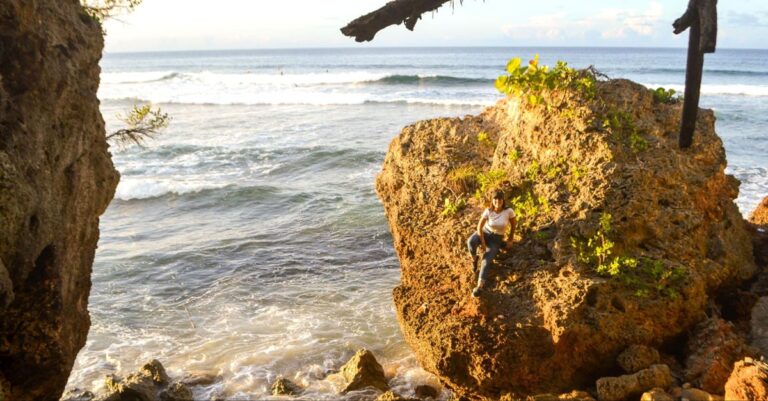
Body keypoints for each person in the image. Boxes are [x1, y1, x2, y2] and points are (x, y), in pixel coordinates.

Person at [466, 189, 516, 297]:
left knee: (486, 260)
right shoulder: (488, 211)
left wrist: (510, 239)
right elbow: (479, 227)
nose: (498, 201)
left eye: (500, 199)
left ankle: (479, 286)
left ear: (503, 200)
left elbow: (513, 226)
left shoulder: (509, 211)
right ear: (492, 200)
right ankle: (474, 260)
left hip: (496, 239)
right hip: (484, 233)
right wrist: (483, 243)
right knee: (470, 241)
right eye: (495, 199)